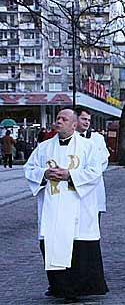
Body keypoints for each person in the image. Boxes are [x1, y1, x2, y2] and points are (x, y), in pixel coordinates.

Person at [24, 108, 109, 303]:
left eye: (64, 119)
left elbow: (96, 172)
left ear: (74, 124)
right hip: (52, 205)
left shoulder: (88, 147)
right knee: (52, 244)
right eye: (58, 118)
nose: (59, 121)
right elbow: (29, 168)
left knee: (80, 247)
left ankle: (79, 288)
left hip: (79, 205)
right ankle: (59, 287)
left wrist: (70, 175)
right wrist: (44, 174)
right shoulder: (44, 147)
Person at [75, 108, 110, 221]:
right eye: (83, 119)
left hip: (93, 184)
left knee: (93, 219)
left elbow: (103, 159)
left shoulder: (97, 138)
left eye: (89, 120)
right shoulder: (68, 139)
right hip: (73, 183)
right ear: (75, 119)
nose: (87, 122)